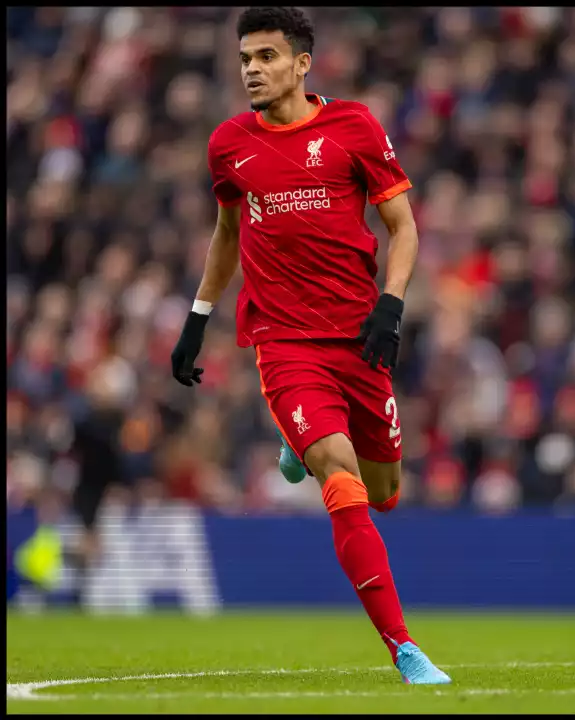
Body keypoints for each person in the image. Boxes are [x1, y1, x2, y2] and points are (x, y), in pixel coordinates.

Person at [168, 7, 449, 685]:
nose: (252, 71)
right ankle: (404, 648)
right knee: (342, 478)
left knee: (384, 491)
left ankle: (297, 447)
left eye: (266, 57)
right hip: (283, 342)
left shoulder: (353, 127)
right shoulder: (229, 144)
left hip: (358, 336)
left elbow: (402, 228)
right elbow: (227, 233)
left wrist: (392, 303)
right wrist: (198, 318)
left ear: (301, 64)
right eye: (245, 60)